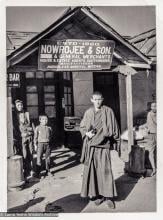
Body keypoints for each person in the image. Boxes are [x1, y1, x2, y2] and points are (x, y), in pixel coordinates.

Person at [79, 91, 120, 209]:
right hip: (91, 147)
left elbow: (115, 128)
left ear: (102, 100)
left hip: (104, 147)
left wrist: (117, 143)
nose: (97, 102)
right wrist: (86, 133)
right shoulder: (88, 113)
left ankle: (109, 197)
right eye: (95, 99)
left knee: (105, 172)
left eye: (99, 99)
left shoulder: (108, 111)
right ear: (91, 100)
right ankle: (98, 195)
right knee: (94, 173)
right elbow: (82, 127)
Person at [12, 99, 35, 179]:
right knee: (24, 153)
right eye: (18, 105)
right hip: (21, 137)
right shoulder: (14, 115)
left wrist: (32, 131)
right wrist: (20, 134)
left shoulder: (26, 113)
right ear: (15, 106)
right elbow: (14, 127)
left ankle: (32, 170)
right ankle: (25, 171)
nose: (20, 106)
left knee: (31, 152)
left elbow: (31, 124)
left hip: (29, 135)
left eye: (21, 105)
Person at [145, 101, 157, 176]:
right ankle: (154, 168)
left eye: (155, 106)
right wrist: (146, 127)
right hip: (151, 135)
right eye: (152, 106)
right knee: (151, 152)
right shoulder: (149, 114)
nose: (153, 108)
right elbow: (148, 123)